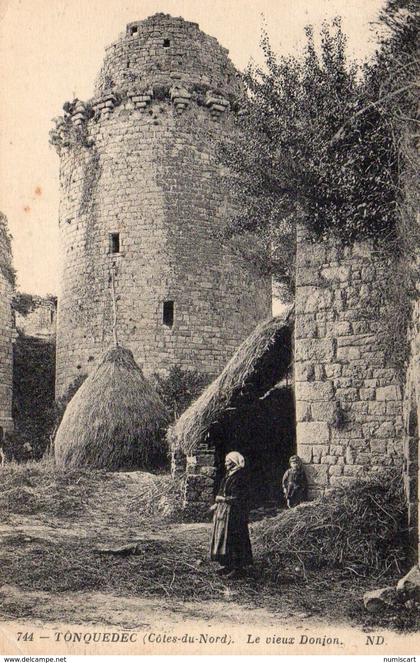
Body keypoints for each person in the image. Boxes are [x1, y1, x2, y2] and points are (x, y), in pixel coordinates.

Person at [210, 451, 253, 579]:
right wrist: (217, 504)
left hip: (235, 514)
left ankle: (238, 569)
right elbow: (222, 490)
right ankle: (228, 565)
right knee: (225, 539)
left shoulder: (239, 477)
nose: (225, 464)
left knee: (235, 539)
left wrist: (223, 499)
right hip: (225, 513)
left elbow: (239, 497)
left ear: (234, 462)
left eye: (228, 462)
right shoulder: (229, 475)